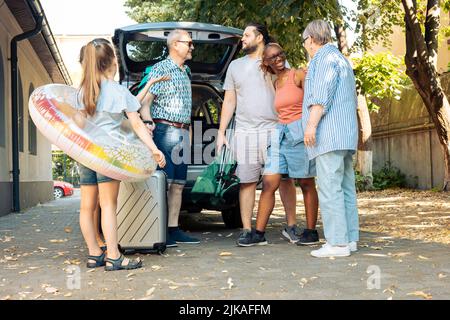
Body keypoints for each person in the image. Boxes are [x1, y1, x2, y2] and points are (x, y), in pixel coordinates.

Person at [76, 38, 166, 270]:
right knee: (108, 206)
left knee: (87, 207)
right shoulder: (118, 91)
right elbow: (136, 125)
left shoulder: (83, 92)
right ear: (112, 62)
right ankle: (114, 256)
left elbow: (78, 124)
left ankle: (94, 254)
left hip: (86, 154)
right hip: (108, 155)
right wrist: (154, 150)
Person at [216, 23, 299, 247]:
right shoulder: (235, 66)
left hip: (275, 129)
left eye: (246, 35)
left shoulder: (276, 61)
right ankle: (247, 230)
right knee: (247, 182)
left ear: (259, 37)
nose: (242, 39)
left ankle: (291, 226)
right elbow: (230, 101)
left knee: (285, 179)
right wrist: (222, 132)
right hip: (244, 132)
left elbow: (290, 90)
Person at [252, 42, 319, 246]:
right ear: (266, 62)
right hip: (280, 135)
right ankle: (258, 234)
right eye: (272, 57)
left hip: (299, 134)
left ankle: (310, 231)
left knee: (306, 182)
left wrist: (311, 128)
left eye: (280, 54)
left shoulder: (298, 74)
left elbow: (312, 102)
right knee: (269, 183)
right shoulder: (276, 83)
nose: (278, 58)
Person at [301, 20, 359, 258]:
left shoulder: (323, 59)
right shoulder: (340, 59)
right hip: (345, 136)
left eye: (304, 41)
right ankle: (350, 239)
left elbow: (320, 97)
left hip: (329, 135)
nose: (305, 45)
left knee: (329, 188)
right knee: (345, 188)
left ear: (312, 39)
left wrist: (310, 126)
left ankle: (337, 243)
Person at [139, 29, 200, 247]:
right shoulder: (161, 68)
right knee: (164, 183)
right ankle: (159, 230)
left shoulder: (186, 71)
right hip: (165, 131)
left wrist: (189, 134)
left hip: (183, 133)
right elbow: (144, 103)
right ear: (175, 44)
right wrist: (148, 123)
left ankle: (173, 230)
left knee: (179, 184)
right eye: (189, 43)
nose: (192, 47)